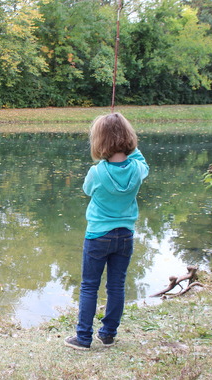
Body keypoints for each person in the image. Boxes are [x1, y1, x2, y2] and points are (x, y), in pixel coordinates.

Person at [64, 112, 149, 350]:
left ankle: (83, 338)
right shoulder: (137, 170)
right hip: (125, 235)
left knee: (90, 285)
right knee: (116, 286)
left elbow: (87, 190)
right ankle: (108, 334)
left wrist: (104, 160)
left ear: (99, 142)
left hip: (98, 236)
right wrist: (130, 143)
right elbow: (142, 162)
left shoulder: (97, 173)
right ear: (129, 139)